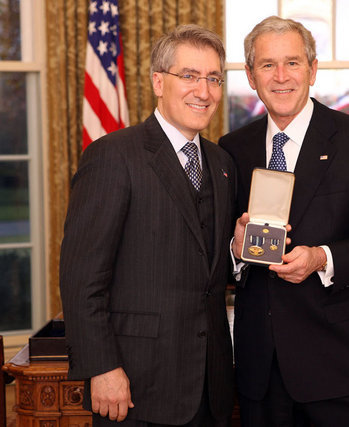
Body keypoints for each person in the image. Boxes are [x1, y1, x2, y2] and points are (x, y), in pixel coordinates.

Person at [219, 16, 349, 426]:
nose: (281, 76)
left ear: (313, 69)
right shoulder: (231, 150)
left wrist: (322, 258)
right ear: (251, 76)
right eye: (268, 65)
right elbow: (211, 249)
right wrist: (234, 250)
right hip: (260, 376)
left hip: (342, 371)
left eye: (292, 62)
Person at [60, 25, 235, 427]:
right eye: (189, 76)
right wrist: (102, 368)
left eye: (213, 79)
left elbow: (206, 268)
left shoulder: (222, 164)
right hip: (135, 386)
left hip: (211, 389)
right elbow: (81, 278)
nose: (203, 91)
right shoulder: (112, 156)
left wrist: (235, 250)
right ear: (159, 81)